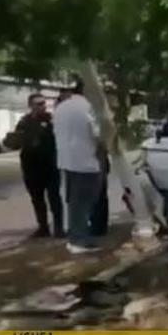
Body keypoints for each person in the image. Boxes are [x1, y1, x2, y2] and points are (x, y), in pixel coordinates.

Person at [53, 79, 104, 254]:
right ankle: (79, 240)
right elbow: (97, 134)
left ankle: (75, 236)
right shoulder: (89, 108)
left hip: (66, 161)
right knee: (84, 203)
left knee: (73, 202)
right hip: (86, 161)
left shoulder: (61, 107)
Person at [6, 94, 64, 239]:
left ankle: (59, 228)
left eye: (43, 103)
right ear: (31, 105)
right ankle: (43, 227)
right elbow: (16, 141)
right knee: (37, 199)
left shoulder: (51, 120)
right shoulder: (24, 122)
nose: (42, 106)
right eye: (38, 104)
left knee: (54, 198)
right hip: (31, 166)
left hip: (50, 165)